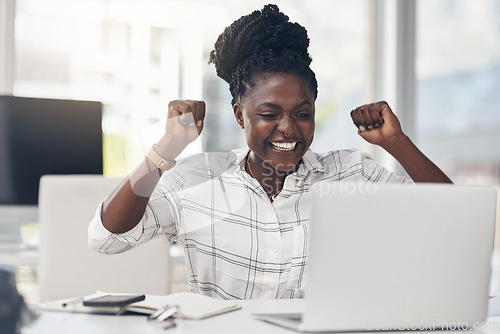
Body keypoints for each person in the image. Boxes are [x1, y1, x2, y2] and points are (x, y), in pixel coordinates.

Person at [88, 4, 452, 300]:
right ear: (239, 115)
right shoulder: (196, 178)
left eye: (302, 114)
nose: (288, 128)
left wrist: (396, 142)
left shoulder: (350, 173)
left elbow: (451, 218)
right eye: (268, 114)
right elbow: (106, 239)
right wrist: (166, 148)